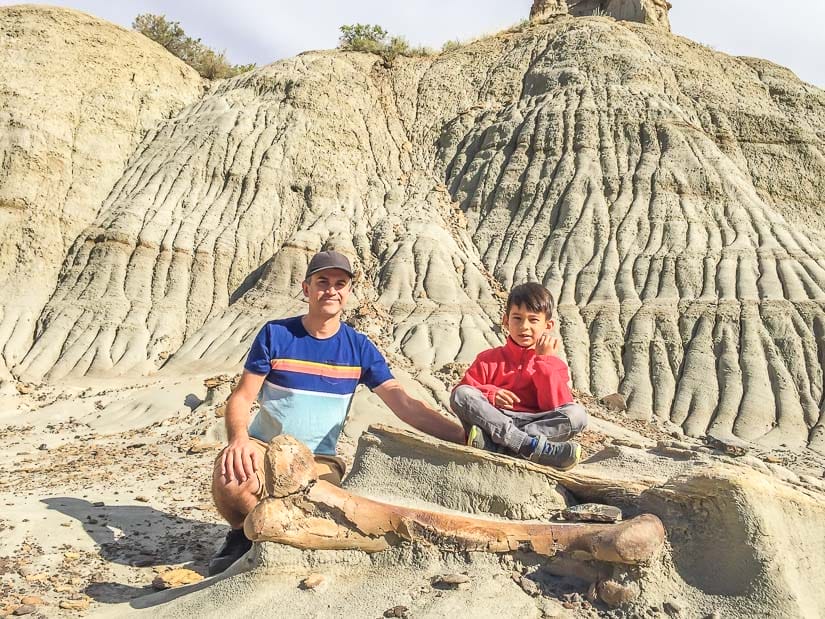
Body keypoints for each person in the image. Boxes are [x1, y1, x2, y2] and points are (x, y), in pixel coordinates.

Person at [209, 250, 464, 575]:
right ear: (306, 289)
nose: (331, 290)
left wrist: (461, 435)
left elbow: (404, 404)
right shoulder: (276, 334)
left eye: (339, 283)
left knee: (313, 511)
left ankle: (267, 535)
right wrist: (239, 439)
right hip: (264, 446)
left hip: (319, 461)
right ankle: (242, 534)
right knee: (230, 477)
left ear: (348, 292)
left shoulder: (358, 348)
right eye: (322, 282)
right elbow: (242, 397)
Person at [450, 282, 587, 470]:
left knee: (577, 415)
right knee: (462, 394)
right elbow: (462, 396)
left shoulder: (555, 365)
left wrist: (543, 362)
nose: (524, 326)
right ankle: (526, 446)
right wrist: (491, 394)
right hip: (494, 420)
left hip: (533, 424)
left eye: (533, 320)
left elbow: (554, 407)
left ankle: (501, 447)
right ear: (506, 321)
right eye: (517, 318)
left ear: (548, 325)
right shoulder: (488, 359)